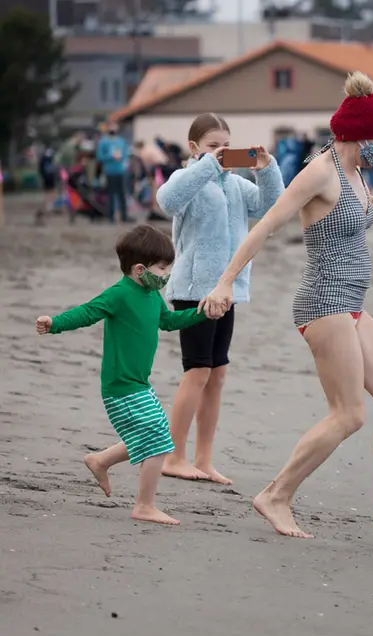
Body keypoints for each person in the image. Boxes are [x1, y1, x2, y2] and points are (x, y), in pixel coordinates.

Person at [199, 71, 373, 542]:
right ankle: (276, 495)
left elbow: (369, 207)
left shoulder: (352, 173)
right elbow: (267, 224)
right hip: (322, 303)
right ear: (359, 135)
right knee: (349, 413)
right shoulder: (320, 170)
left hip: (352, 303)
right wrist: (225, 283)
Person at [35, 225, 207, 525]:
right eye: (163, 269)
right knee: (160, 440)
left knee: (152, 436)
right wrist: (55, 323)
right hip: (121, 386)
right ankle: (144, 505)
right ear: (140, 269)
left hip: (139, 383)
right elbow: (87, 312)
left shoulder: (151, 296)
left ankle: (100, 460)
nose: (167, 275)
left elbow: (167, 322)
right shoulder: (120, 294)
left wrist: (203, 313)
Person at [156, 113, 285, 485]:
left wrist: (266, 168)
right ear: (194, 147)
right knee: (196, 371)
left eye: (226, 146)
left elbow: (270, 210)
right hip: (194, 290)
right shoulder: (188, 178)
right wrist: (207, 165)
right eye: (214, 146)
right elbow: (168, 200)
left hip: (228, 292)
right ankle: (174, 456)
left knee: (217, 374)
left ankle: (204, 458)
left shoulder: (236, 185)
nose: (222, 152)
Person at [96, 123, 131, 223]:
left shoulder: (121, 141)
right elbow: (100, 157)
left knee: (122, 195)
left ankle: (124, 216)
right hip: (109, 171)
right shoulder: (103, 142)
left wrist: (122, 160)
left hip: (121, 171)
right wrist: (111, 156)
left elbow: (125, 155)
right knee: (110, 195)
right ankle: (111, 217)